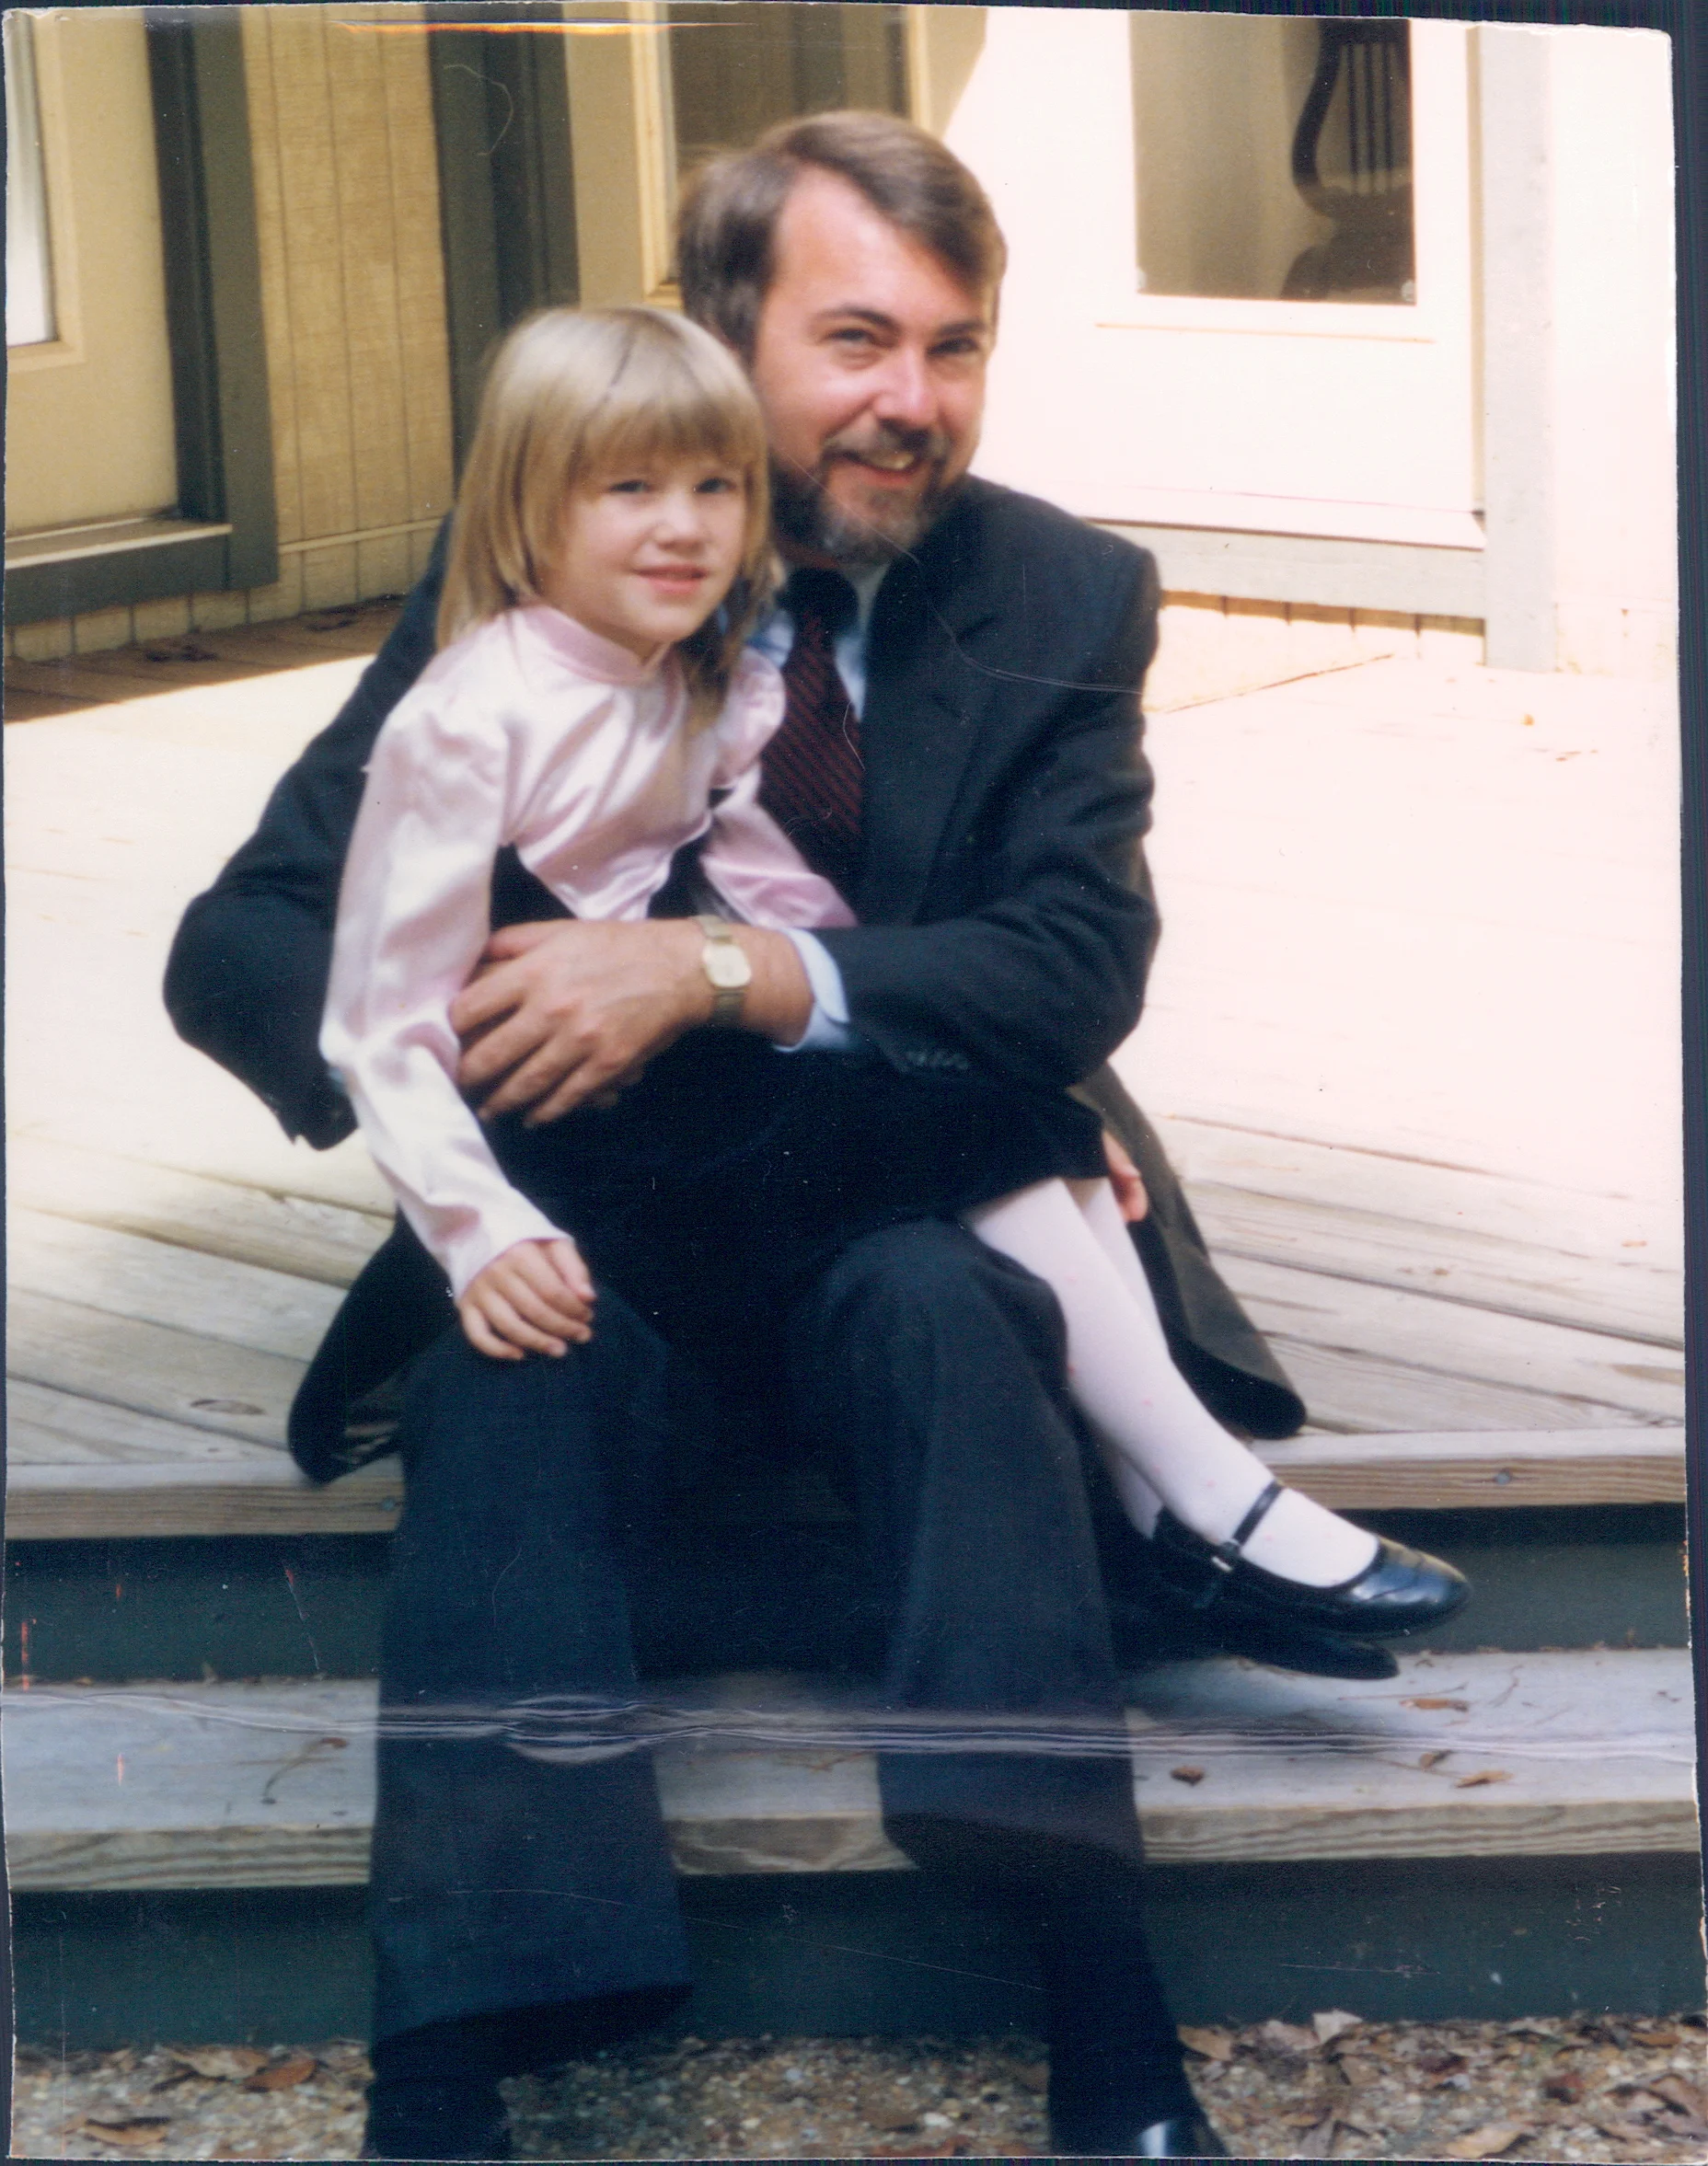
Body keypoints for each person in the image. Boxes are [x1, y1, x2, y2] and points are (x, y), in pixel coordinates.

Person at [165, 112, 1465, 2161]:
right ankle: (446, 2067)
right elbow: (243, 933)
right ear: (719, 335)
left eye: (954, 348)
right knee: (504, 1371)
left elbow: (1067, 957)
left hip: (885, 1196)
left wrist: (722, 975)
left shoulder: (1058, 591)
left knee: (952, 1312)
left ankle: (1106, 2031)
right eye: (855, 340)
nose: (909, 401)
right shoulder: (561, 562)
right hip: (596, 1196)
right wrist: (482, 1029)